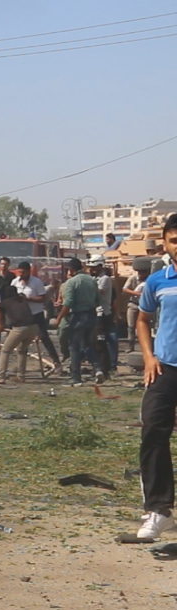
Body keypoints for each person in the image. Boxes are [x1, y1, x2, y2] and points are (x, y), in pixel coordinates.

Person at [132, 214, 177, 539]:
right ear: (165, 243)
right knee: (152, 432)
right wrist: (148, 356)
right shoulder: (157, 281)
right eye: (174, 239)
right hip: (165, 368)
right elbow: (143, 320)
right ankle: (159, 512)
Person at [52, 257, 103, 386]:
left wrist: (59, 318)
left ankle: (76, 378)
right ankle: (97, 369)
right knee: (88, 345)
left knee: (74, 346)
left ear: (71, 269)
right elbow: (98, 300)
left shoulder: (71, 282)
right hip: (92, 315)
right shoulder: (92, 280)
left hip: (78, 316)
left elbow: (68, 303)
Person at [13, 261, 63, 376]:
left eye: (23, 272)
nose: (21, 274)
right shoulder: (15, 282)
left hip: (36, 314)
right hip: (21, 315)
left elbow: (43, 298)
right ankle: (21, 368)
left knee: (44, 337)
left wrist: (29, 299)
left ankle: (57, 362)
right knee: (21, 340)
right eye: (19, 272)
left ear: (29, 271)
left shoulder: (36, 282)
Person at [0, 284, 39, 383]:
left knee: (5, 351)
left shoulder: (5, 302)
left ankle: (1, 378)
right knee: (21, 350)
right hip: (34, 327)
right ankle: (21, 376)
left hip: (20, 328)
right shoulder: (23, 299)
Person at [88, 254, 118, 376]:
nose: (91, 270)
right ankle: (99, 368)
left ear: (101, 266)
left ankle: (105, 369)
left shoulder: (105, 279)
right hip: (95, 314)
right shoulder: (94, 278)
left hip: (102, 314)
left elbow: (99, 293)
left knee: (101, 342)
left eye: (94, 267)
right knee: (94, 342)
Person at [124, 259, 152, 353]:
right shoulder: (132, 278)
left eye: (143, 272)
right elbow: (125, 289)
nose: (141, 274)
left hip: (145, 306)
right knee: (131, 326)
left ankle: (146, 346)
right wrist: (137, 293)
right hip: (133, 304)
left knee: (146, 325)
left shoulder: (150, 279)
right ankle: (130, 345)